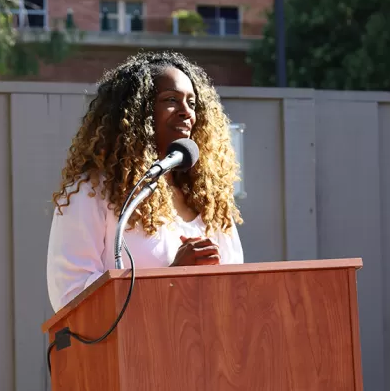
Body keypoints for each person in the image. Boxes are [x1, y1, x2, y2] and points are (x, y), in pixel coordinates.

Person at [46, 51, 244, 312]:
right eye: (171, 100)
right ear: (139, 112)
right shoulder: (93, 192)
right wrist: (171, 276)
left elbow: (238, 284)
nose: (187, 113)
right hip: (133, 349)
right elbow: (70, 294)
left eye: (192, 103)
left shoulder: (209, 201)